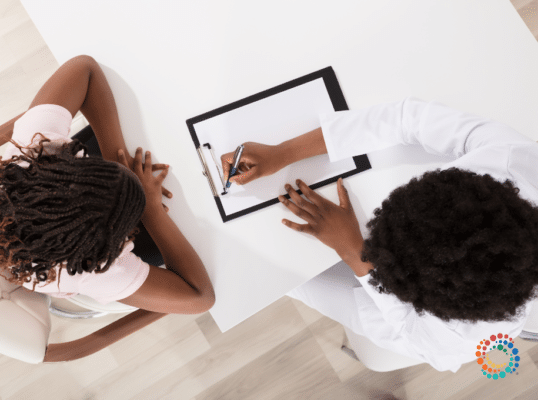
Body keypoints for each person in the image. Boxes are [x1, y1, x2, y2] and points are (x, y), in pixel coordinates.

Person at [220, 97, 538, 372]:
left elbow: (408, 324)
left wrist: (354, 253)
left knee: (279, 275)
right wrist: (284, 152)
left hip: (407, 322)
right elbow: (408, 118)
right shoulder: (513, 160)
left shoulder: (463, 337)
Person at [0, 55, 215, 315]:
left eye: (100, 167)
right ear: (112, 243)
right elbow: (200, 297)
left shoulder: (32, 154)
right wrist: (152, 212)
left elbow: (84, 68)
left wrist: (119, 157)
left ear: (66, 168)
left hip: (73, 225)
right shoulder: (92, 272)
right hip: (92, 249)